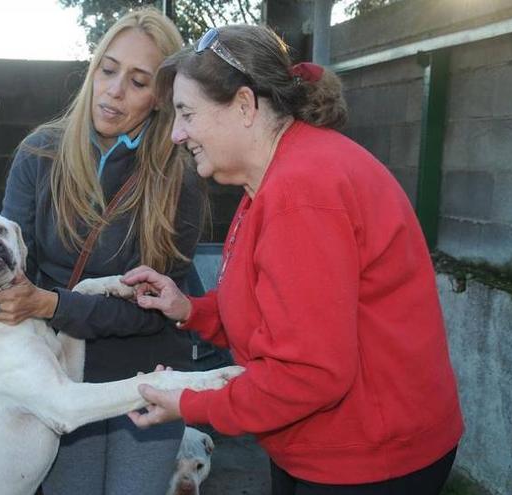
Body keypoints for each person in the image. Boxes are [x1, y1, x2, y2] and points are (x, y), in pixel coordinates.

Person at [121, 24, 464, 495]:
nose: (178, 134)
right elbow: (279, 313)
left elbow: (308, 373)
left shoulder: (300, 191)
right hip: (332, 447)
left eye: (186, 113)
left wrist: (191, 403)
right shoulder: (275, 175)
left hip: (368, 462)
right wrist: (191, 309)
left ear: (244, 106)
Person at [0, 7, 206, 494]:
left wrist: (53, 305)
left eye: (138, 81)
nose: (114, 90)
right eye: (108, 70)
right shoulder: (41, 154)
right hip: (57, 369)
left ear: (161, 97)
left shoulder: (179, 179)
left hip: (147, 374)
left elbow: (156, 311)